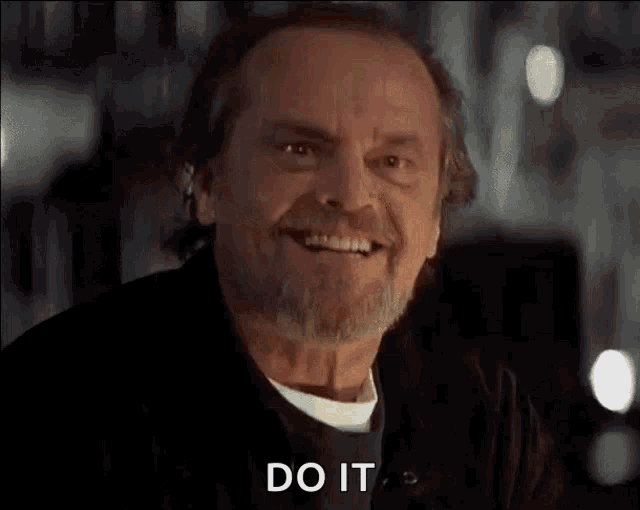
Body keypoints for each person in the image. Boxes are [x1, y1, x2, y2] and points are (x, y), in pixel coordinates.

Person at [0, 4, 565, 509]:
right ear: (206, 184)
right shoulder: (58, 411)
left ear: (436, 219)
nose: (351, 194)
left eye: (392, 162)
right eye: (300, 149)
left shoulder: (487, 427)